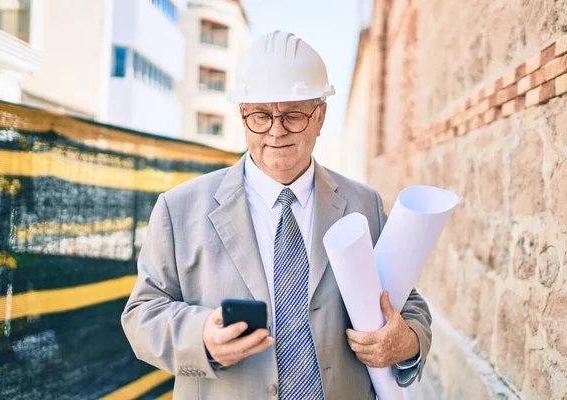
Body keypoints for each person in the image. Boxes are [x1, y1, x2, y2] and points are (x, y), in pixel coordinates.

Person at [121, 30, 432, 400]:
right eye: (260, 116)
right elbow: (142, 315)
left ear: (320, 117)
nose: (276, 131)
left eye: (292, 115)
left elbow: (407, 302)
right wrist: (200, 335)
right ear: (242, 115)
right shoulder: (179, 209)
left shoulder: (364, 205)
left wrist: (407, 341)